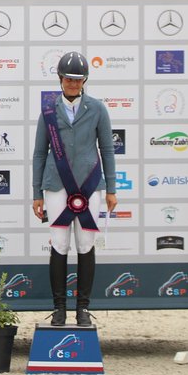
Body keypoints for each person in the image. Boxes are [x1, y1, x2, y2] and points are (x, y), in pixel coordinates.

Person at [32, 51, 117, 326]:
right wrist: (36, 193)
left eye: (78, 79)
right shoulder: (48, 111)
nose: (73, 83)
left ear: (85, 81)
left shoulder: (98, 109)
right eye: (68, 78)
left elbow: (107, 149)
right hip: (57, 185)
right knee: (59, 244)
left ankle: (83, 308)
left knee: (85, 244)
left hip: (89, 186)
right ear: (60, 78)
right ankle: (59, 308)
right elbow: (39, 153)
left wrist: (112, 188)